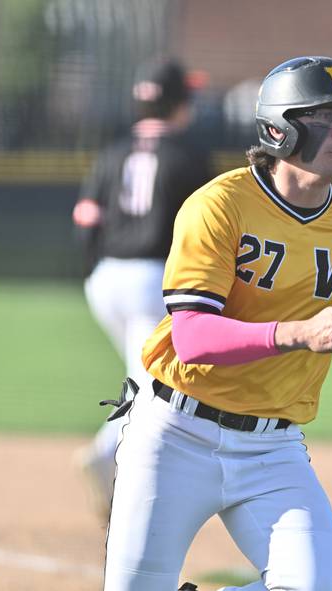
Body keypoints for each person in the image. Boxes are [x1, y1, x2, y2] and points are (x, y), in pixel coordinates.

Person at [102, 56, 332, 591]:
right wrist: (298, 332)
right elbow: (191, 337)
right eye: (327, 117)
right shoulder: (220, 205)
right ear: (280, 127)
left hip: (271, 447)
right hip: (174, 433)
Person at [72, 58, 213, 519]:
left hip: (106, 279)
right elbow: (210, 229)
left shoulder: (113, 152)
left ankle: (125, 466)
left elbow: (85, 220)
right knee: (153, 384)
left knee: (143, 376)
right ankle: (107, 453)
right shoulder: (190, 156)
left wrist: (100, 265)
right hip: (154, 280)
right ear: (180, 102)